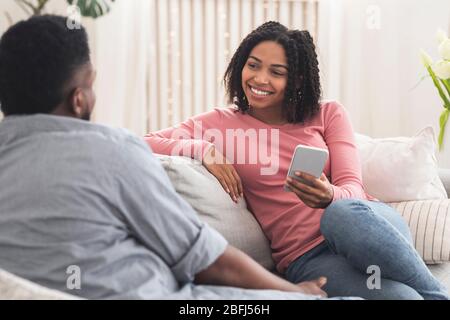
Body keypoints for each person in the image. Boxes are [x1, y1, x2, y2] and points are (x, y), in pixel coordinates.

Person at [0, 15, 329, 300]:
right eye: (91, 84)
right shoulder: (113, 153)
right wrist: (297, 292)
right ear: (78, 100)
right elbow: (209, 262)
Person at [145, 21, 449, 300]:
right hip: (308, 256)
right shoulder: (219, 123)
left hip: (367, 224)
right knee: (404, 298)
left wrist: (330, 196)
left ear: (297, 79)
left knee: (339, 214)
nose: (259, 79)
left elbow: (353, 188)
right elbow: (143, 141)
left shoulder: (328, 113)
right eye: (253, 66)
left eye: (276, 72)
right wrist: (202, 149)